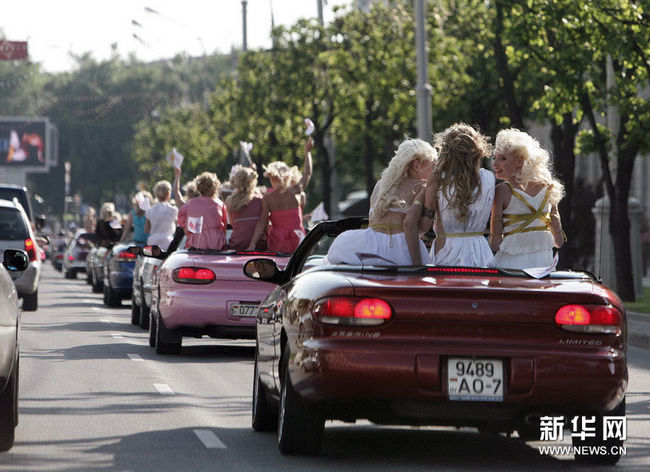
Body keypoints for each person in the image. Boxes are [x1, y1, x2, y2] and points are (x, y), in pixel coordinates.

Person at [326, 138, 436, 266]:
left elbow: (372, 221)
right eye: (432, 165)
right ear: (417, 165)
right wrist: (418, 265)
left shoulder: (380, 185)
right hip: (400, 251)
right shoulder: (421, 187)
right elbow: (419, 229)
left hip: (368, 248)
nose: (434, 170)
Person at [412, 123, 495, 267]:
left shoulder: (437, 179)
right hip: (480, 251)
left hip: (447, 252)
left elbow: (424, 225)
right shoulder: (489, 178)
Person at [490, 128, 565, 269]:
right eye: (495, 158)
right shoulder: (548, 187)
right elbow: (556, 230)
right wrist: (556, 237)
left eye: (503, 158)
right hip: (543, 260)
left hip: (510, 261)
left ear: (520, 161)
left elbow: (495, 237)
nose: (495, 164)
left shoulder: (502, 191)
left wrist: (496, 242)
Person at [246, 138, 313, 253]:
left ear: (271, 178)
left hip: (278, 241)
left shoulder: (267, 198)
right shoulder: (295, 191)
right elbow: (308, 174)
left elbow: (262, 223)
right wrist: (308, 152)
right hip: (298, 239)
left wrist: (252, 244)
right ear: (288, 176)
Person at [178, 172, 228, 250]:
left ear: (198, 188)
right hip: (216, 244)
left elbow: (181, 220)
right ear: (215, 188)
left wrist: (190, 234)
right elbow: (224, 226)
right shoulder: (220, 204)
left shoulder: (189, 204)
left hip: (195, 244)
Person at [226, 165, 266, 251]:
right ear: (252, 183)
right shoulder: (260, 200)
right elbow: (265, 224)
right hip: (258, 246)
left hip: (236, 245)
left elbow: (233, 224)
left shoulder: (229, 201)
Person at [145, 180, 178, 251]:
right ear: (168, 194)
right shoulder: (173, 210)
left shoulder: (150, 210)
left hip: (153, 242)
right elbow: (176, 228)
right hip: (167, 242)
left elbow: (146, 229)